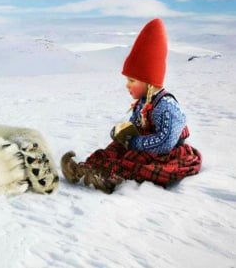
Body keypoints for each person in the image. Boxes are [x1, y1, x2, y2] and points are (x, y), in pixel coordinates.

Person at [61, 18, 202, 194]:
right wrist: (122, 134)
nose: (127, 85)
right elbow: (135, 124)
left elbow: (165, 142)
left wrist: (134, 142)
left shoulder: (166, 106)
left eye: (132, 80)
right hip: (143, 145)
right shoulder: (143, 102)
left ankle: (108, 178)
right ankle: (85, 169)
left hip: (164, 154)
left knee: (134, 161)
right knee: (115, 149)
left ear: (149, 82)